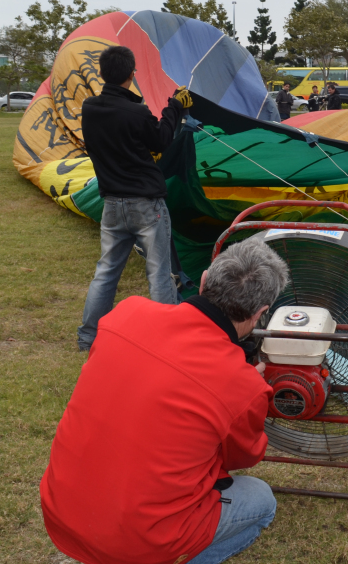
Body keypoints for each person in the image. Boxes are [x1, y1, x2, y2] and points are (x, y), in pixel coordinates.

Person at [41, 235, 285, 564]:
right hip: (139, 540)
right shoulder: (242, 385)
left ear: (203, 280)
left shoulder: (126, 312)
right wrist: (247, 394)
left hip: (61, 513)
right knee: (260, 499)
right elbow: (243, 456)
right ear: (261, 313)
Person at [76, 45, 191, 351]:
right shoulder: (136, 111)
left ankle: (88, 338)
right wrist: (174, 107)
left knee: (106, 273)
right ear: (131, 74)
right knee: (160, 275)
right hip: (146, 205)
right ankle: (166, 342)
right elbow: (162, 139)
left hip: (112, 204)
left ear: (103, 74)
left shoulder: (89, 108)